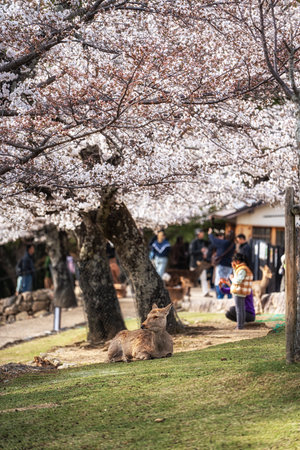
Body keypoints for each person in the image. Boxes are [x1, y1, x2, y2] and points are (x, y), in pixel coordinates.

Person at [208, 228, 235, 299]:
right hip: (229, 265)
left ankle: (220, 296)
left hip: (221, 264)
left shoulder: (223, 243)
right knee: (228, 280)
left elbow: (213, 240)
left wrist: (210, 234)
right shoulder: (233, 244)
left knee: (219, 280)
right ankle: (229, 295)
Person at [229, 253, 253, 330]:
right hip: (242, 292)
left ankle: (240, 326)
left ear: (238, 261)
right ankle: (241, 325)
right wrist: (234, 268)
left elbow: (238, 280)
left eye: (234, 261)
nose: (233, 263)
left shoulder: (242, 269)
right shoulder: (244, 268)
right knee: (241, 309)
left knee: (239, 309)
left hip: (238, 291)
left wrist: (231, 279)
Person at [189, 229, 212, 297]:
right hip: (194, 263)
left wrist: (204, 254)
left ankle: (205, 292)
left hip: (201, 263)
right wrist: (200, 251)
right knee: (191, 278)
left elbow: (209, 244)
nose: (203, 234)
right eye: (201, 233)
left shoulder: (203, 242)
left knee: (203, 278)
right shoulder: (194, 242)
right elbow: (191, 252)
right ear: (198, 234)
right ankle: (187, 291)